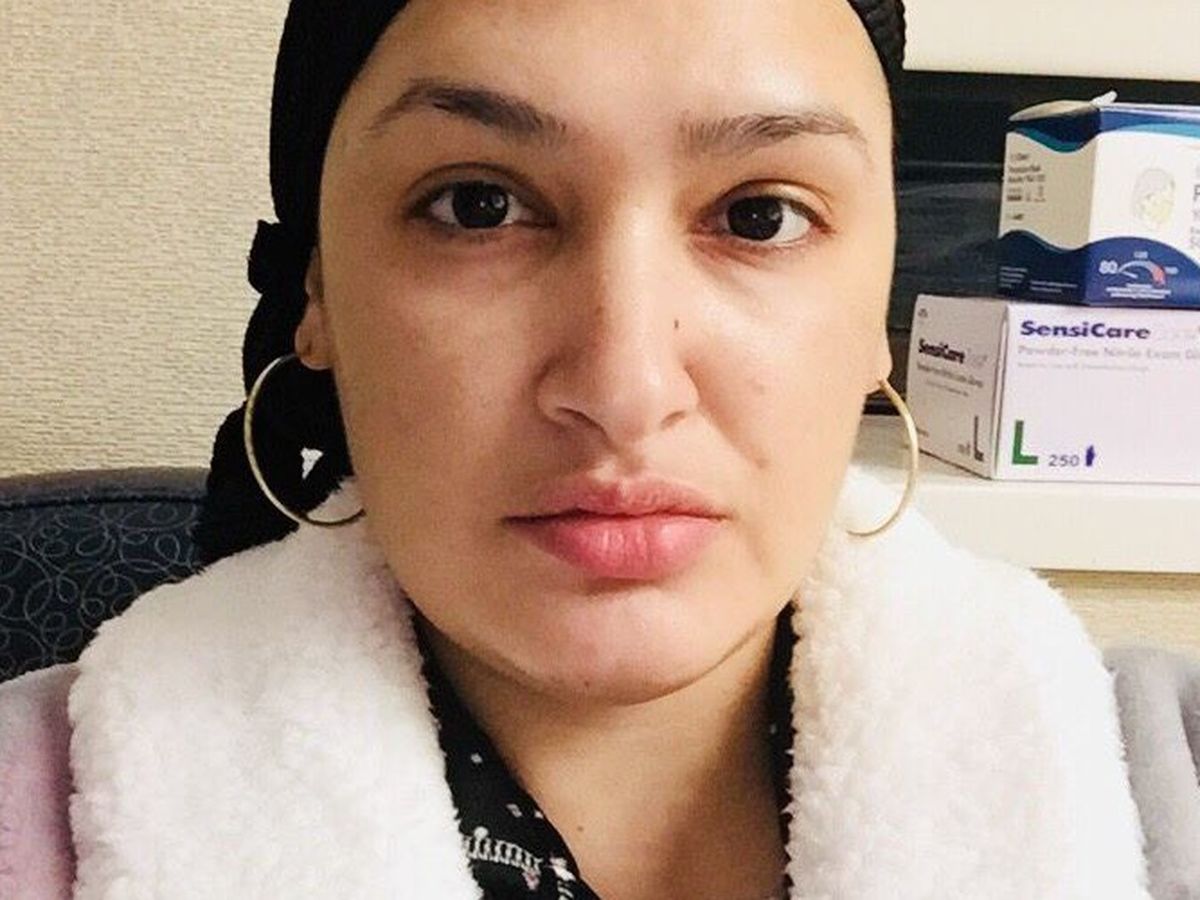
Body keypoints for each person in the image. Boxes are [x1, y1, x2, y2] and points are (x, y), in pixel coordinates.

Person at [1, 1, 1198, 898]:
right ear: (315, 288)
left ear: (877, 305)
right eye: (478, 205)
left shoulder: (1164, 778)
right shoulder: (42, 808)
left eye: (760, 216)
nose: (626, 389)